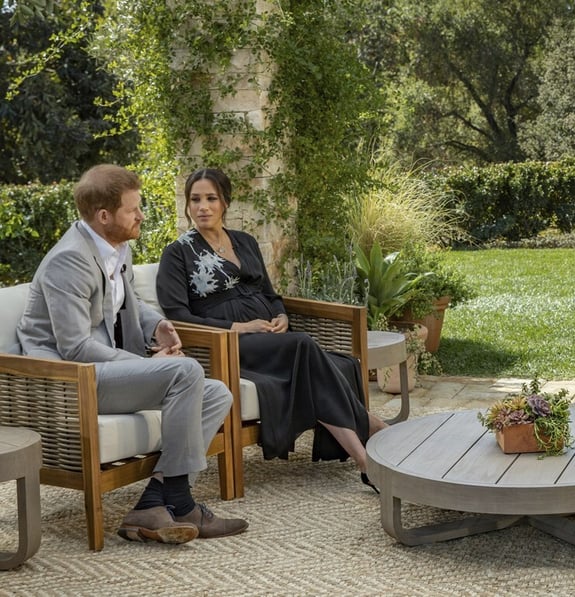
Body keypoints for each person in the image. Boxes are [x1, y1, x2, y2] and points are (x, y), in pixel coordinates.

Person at [16, 164, 248, 543]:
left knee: (217, 394)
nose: (141, 215)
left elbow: (131, 303)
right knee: (186, 371)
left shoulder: (116, 246)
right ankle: (182, 504)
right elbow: (75, 347)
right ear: (103, 216)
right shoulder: (69, 261)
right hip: (70, 382)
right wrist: (147, 364)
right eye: (133, 209)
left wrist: (158, 325)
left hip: (100, 370)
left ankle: (152, 503)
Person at [156, 167, 387, 492]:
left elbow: (269, 293)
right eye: (195, 200)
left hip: (270, 337)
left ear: (225, 202)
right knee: (303, 345)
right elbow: (178, 315)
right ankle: (370, 438)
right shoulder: (177, 253)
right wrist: (238, 327)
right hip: (228, 344)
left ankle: (367, 457)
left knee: (314, 360)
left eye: (211, 198)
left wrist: (281, 316)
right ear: (187, 204)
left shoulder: (245, 241)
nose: (203, 207)